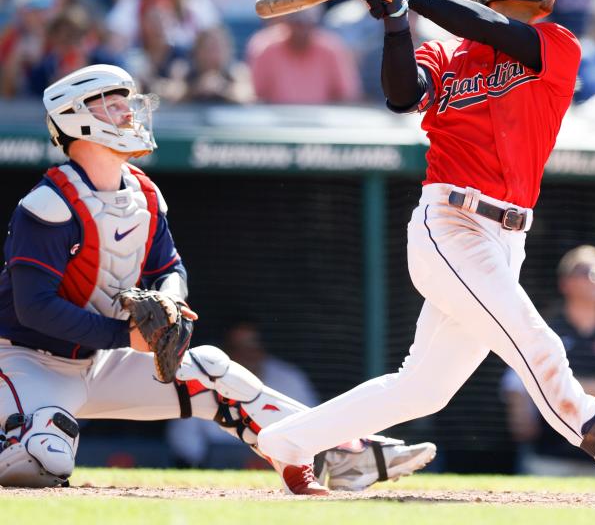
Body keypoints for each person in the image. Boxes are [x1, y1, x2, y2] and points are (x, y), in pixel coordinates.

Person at [256, 0, 595, 504]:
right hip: (449, 224)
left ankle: (288, 442)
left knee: (424, 388)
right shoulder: (445, 54)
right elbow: (402, 95)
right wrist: (396, 21)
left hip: (506, 238)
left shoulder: (555, 43)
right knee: (537, 345)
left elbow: (494, 31)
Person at [0, 64, 436, 492]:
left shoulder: (144, 194)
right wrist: (123, 335)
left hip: (99, 359)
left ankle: (341, 452)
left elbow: (169, 269)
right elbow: (33, 307)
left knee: (213, 371)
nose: (128, 113)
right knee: (44, 459)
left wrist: (170, 301)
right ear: (79, 119)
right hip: (26, 363)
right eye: (113, 105)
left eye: (125, 103)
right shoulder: (48, 204)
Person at [502, 246, 595, 476]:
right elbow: (519, 390)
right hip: (548, 459)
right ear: (565, 283)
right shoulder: (545, 331)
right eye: (584, 271)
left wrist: (558, 385)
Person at [167, 322, 317, 470]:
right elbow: (184, 439)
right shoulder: (201, 379)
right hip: (220, 467)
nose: (248, 353)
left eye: (253, 345)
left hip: (283, 462)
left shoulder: (290, 379)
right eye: (239, 348)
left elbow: (312, 427)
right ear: (225, 352)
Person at [247, 9, 362, 105]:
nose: (302, 29)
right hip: (275, 125)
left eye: (308, 23)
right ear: (285, 22)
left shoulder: (332, 48)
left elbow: (347, 95)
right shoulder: (264, 47)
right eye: (297, 23)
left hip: (322, 126)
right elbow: (255, 95)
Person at [0, 0, 56, 98]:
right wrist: (17, 56)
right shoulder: (9, 36)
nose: (41, 16)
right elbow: (5, 94)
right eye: (33, 9)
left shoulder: (64, 34)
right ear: (20, 12)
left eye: (45, 8)